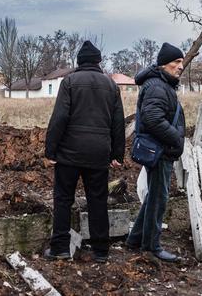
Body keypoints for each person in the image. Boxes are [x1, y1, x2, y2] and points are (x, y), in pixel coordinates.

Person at [44, 40, 125, 263]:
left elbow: (59, 118)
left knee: (62, 199)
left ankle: (60, 247)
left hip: (69, 153)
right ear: (98, 62)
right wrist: (117, 154)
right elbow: (118, 123)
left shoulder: (70, 81)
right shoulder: (111, 86)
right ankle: (101, 250)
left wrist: (50, 150)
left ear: (79, 62)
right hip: (99, 154)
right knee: (97, 200)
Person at [125, 42, 186, 264]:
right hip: (160, 151)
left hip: (161, 149)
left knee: (154, 196)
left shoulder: (161, 84)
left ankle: (135, 239)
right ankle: (152, 246)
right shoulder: (158, 86)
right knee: (159, 198)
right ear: (164, 64)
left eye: (182, 62)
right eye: (176, 62)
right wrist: (176, 138)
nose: (181, 66)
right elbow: (152, 119)